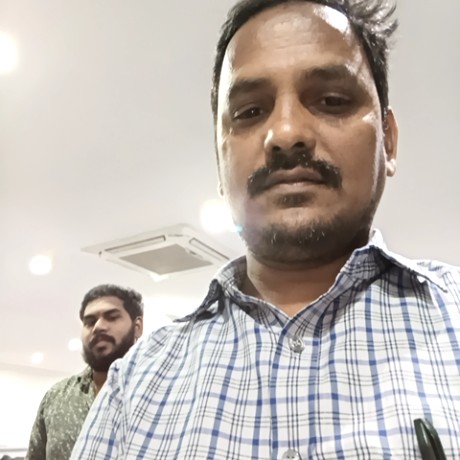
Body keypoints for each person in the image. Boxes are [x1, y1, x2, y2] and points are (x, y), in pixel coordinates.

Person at [72, 1, 460, 458]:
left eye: (332, 101)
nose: (287, 132)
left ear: (388, 141)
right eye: (250, 111)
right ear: (220, 160)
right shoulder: (132, 387)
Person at [26, 284, 144, 460]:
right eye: (89, 322)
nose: (98, 326)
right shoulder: (56, 397)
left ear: (137, 326)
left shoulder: (161, 393)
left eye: (111, 317)